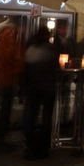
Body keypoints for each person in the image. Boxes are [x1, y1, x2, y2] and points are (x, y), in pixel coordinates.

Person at [21, 26, 59, 160]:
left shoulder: (30, 48)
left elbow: (25, 70)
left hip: (32, 87)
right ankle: (44, 146)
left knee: (31, 114)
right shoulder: (50, 49)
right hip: (48, 87)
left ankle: (29, 144)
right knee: (47, 116)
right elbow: (55, 67)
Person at [0, 16, 24, 152]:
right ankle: (0, 138)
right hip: (7, 76)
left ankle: (0, 136)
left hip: (2, 75)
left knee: (4, 106)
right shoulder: (10, 33)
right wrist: (19, 67)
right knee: (5, 107)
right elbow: (9, 56)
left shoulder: (1, 32)